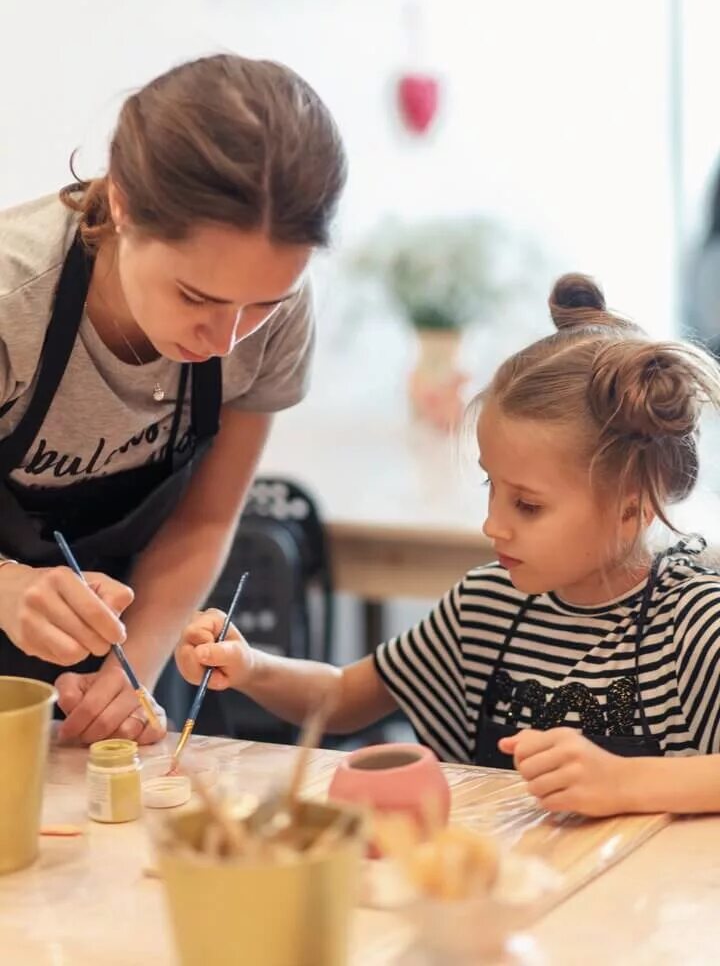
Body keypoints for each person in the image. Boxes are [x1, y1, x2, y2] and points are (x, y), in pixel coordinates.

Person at [175, 273, 720, 815]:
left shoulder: (693, 626)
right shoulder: (485, 605)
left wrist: (625, 783)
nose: (493, 525)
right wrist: (250, 666)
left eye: (528, 505)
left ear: (631, 508)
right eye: (491, 487)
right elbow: (341, 697)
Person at [0, 53, 347, 747]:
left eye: (263, 305)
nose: (226, 339)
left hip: (140, 628)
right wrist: (7, 587)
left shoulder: (277, 309)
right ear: (123, 203)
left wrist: (135, 670)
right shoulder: (13, 301)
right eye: (195, 296)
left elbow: (205, 519)